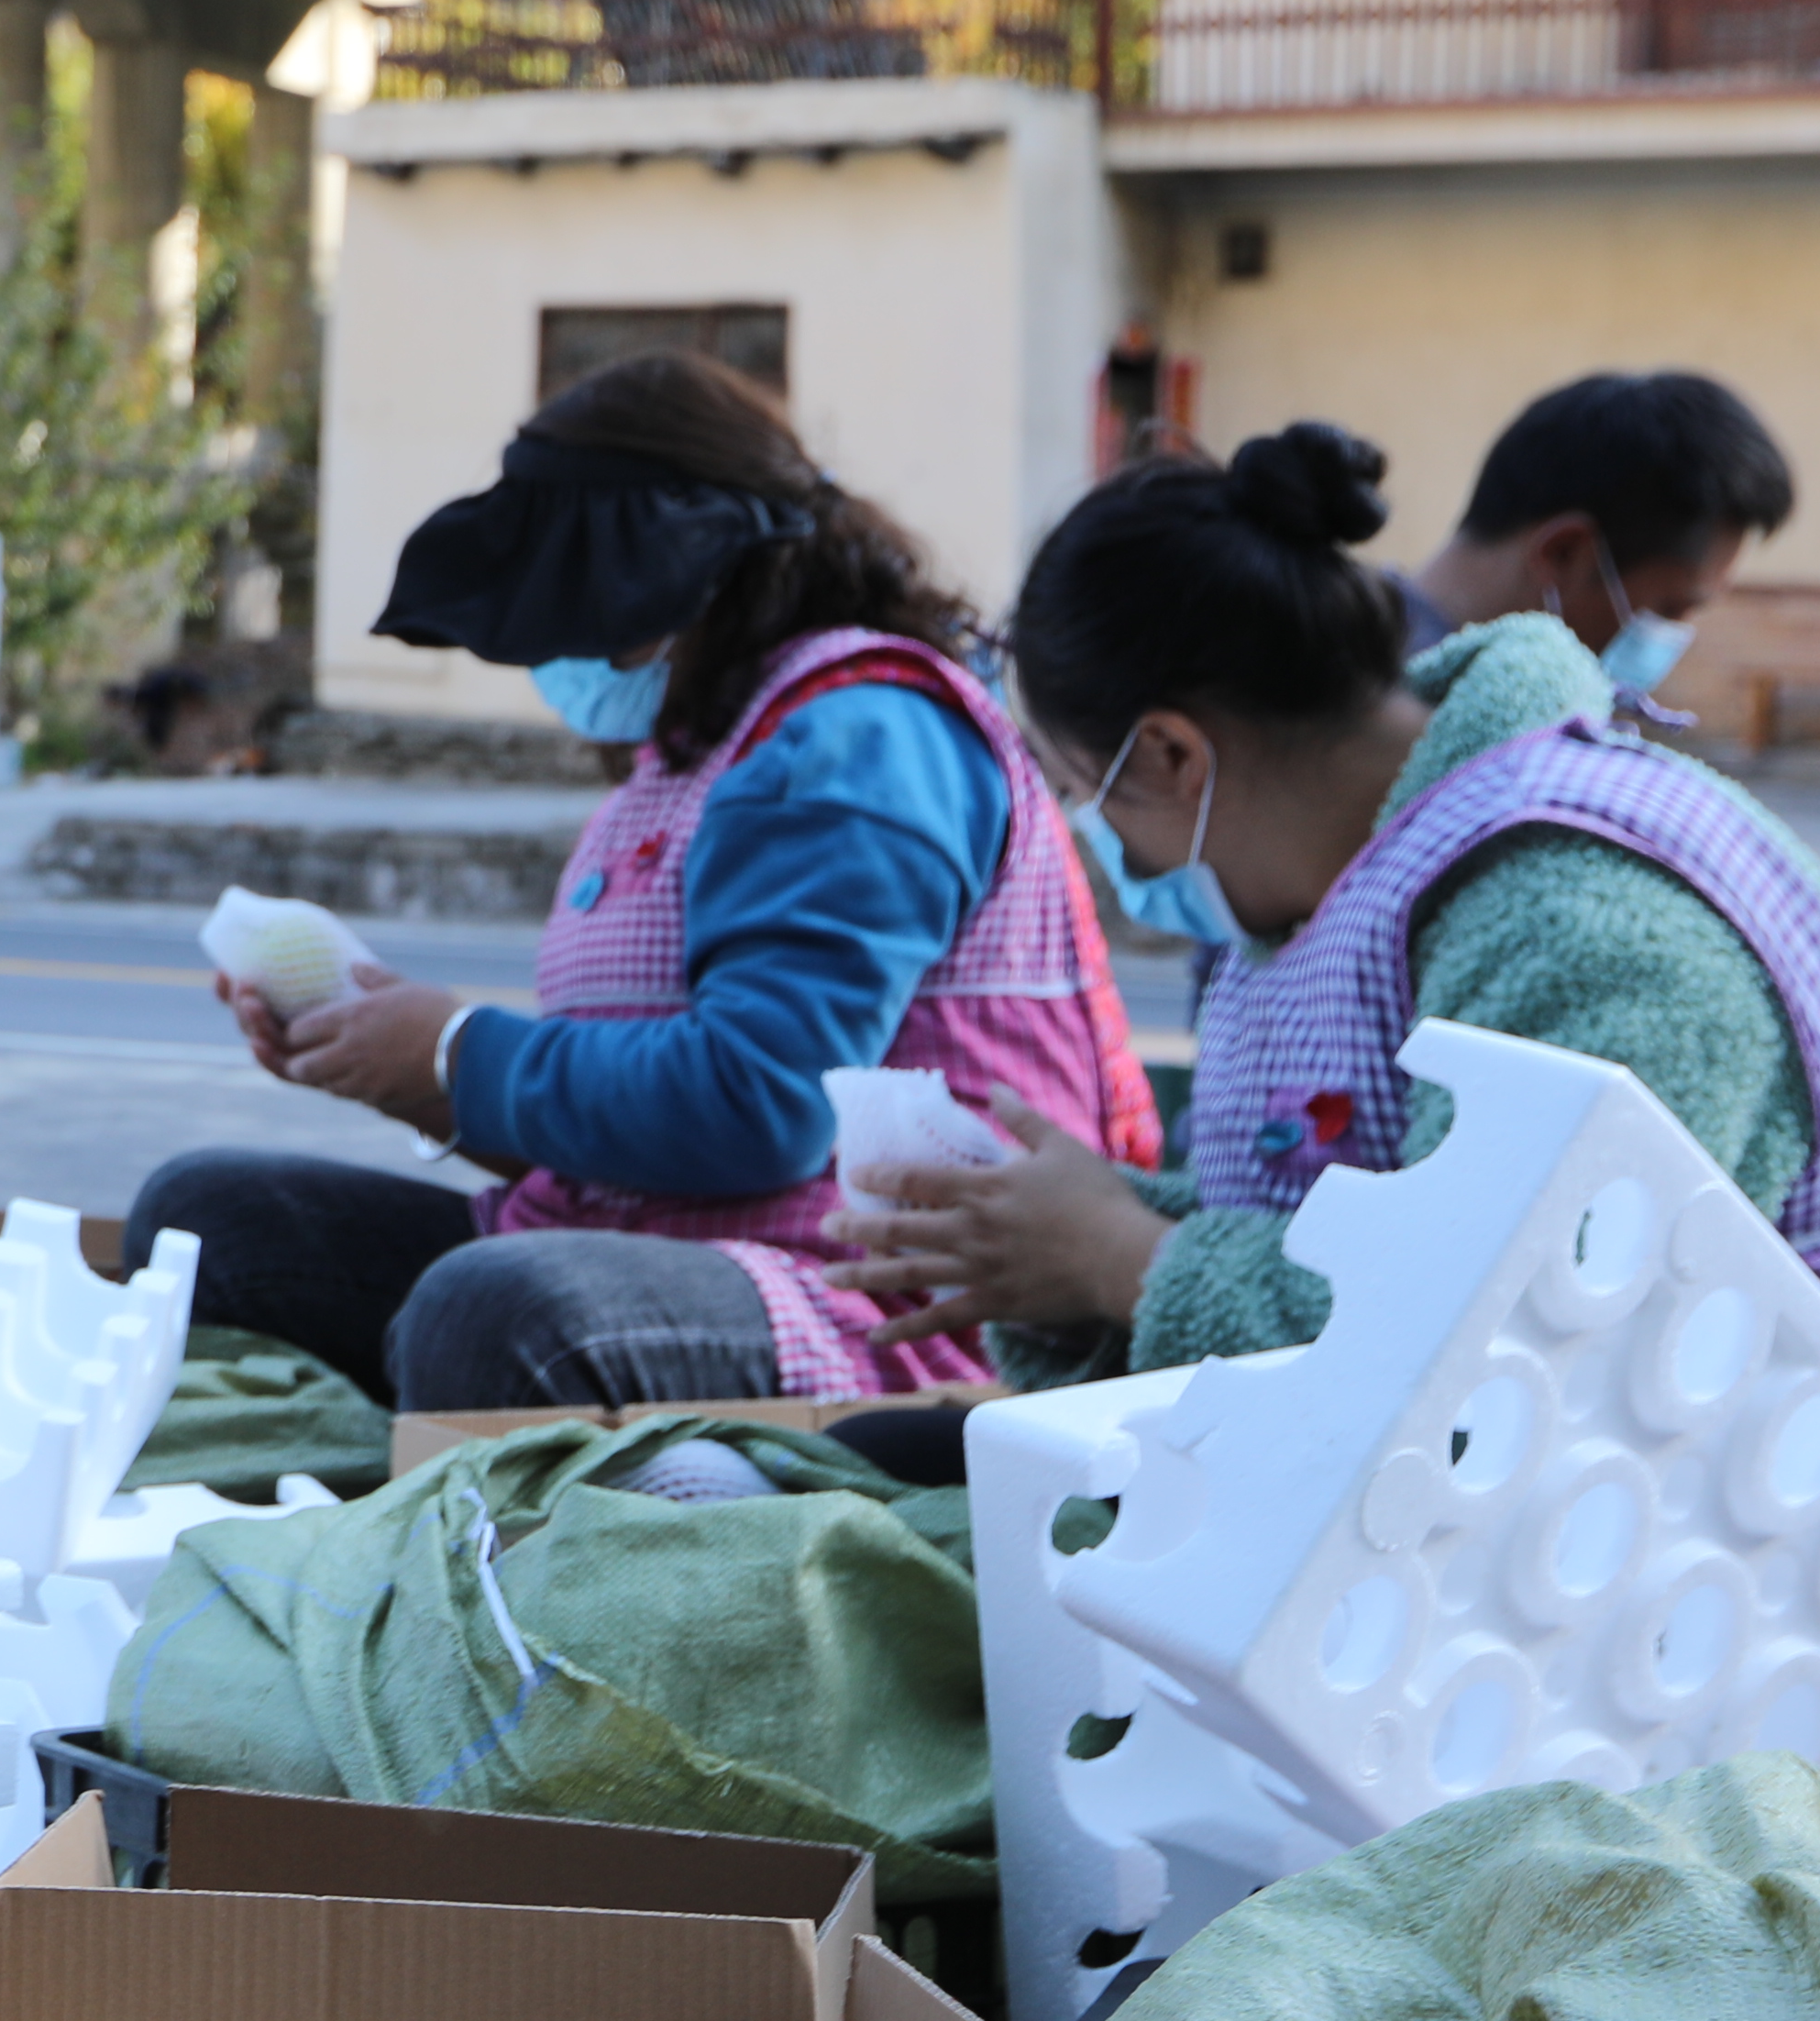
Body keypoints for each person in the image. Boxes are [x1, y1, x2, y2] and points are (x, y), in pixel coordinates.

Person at [834, 423, 1820, 1715]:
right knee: (902, 1495)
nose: (1105, 845)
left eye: (1077, 790)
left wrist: (1122, 1257)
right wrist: (1058, 1246)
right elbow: (1382, 1250)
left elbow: (1515, 1356)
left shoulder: (1579, 915)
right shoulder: (1366, 883)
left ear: (1171, 754)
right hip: (1611, 1539)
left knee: (944, 1628)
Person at [127, 350, 1157, 1410]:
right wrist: (412, 1074)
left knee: (492, 1310)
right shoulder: (695, 748)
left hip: (873, 1300)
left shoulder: (858, 736)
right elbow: (628, 1132)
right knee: (208, 1223)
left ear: (673, 577)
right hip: (650, 1246)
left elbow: (765, 1106)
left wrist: (459, 1050)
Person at [1402, 369, 1794, 695]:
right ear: (1564, 553)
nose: (1673, 640)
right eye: (1667, 609)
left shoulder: (1501, 693)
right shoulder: (1381, 715)